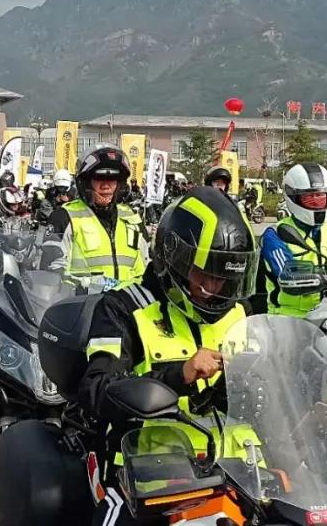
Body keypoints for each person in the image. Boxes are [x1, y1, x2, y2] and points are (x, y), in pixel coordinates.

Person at [79, 187, 258, 526]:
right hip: (151, 478)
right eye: (204, 274)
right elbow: (96, 390)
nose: (214, 288)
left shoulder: (239, 313)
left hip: (239, 473)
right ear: (174, 260)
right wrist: (181, 375)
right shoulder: (124, 308)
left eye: (223, 277)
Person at [256, 163, 327, 316]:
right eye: (309, 198)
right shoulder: (275, 234)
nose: (316, 201)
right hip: (286, 318)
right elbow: (287, 275)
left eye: (321, 197)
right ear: (293, 198)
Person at [43, 146, 147, 288]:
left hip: (130, 300)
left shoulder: (132, 218)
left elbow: (147, 266)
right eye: (99, 178)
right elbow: (50, 272)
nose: (106, 186)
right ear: (86, 182)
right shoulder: (64, 217)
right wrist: (92, 285)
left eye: (112, 179)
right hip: (83, 301)